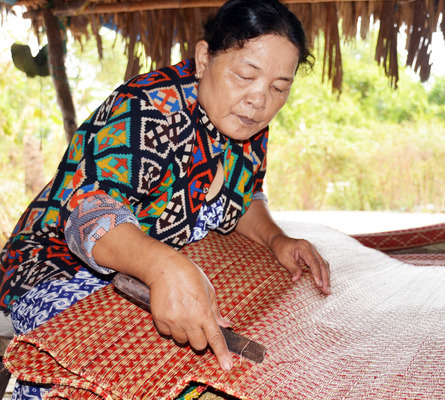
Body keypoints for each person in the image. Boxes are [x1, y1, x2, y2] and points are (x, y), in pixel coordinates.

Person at [0, 0, 331, 397]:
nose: (260, 99)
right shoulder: (147, 110)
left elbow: (243, 196)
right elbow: (88, 213)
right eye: (245, 75)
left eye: (279, 88)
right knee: (110, 368)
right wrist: (161, 267)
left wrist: (277, 239)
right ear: (204, 58)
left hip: (147, 265)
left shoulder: (246, 124)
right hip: (55, 267)